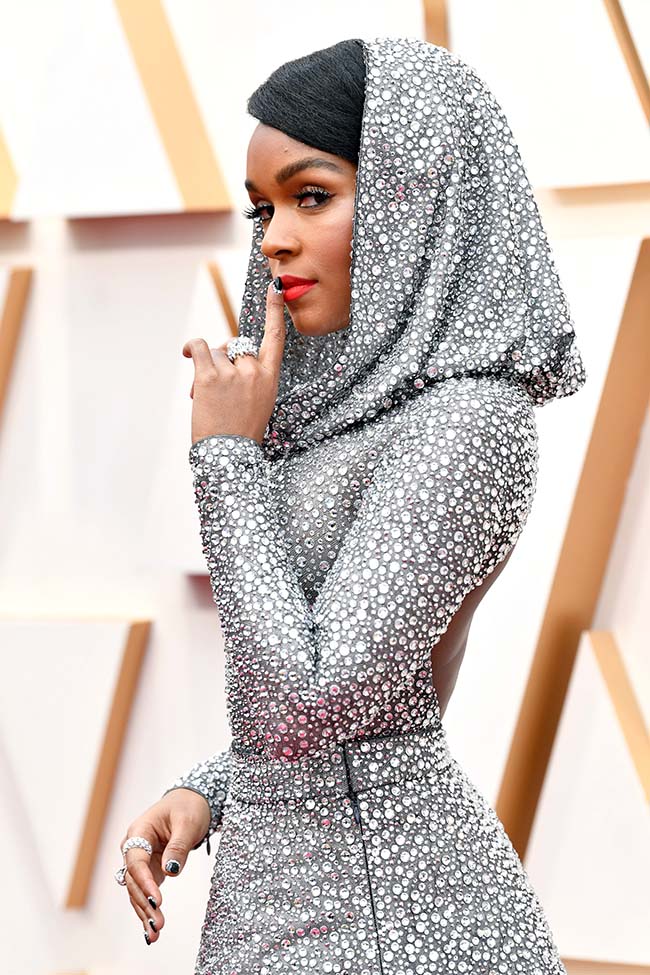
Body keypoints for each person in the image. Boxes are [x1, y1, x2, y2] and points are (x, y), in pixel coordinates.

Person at [117, 35, 587, 973]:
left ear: (415, 200)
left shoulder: (472, 421)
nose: (275, 239)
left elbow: (313, 702)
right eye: (263, 209)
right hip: (279, 914)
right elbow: (346, 712)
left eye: (312, 195)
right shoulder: (340, 420)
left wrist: (225, 459)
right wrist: (214, 788)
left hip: (399, 928)